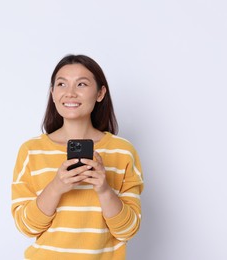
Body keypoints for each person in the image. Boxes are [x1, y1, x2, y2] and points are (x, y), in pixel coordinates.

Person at [11, 54, 144, 259]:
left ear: (100, 93)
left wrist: (104, 189)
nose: (70, 93)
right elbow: (26, 227)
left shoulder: (123, 151)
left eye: (81, 84)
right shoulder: (31, 151)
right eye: (62, 84)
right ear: (53, 93)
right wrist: (56, 187)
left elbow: (128, 230)